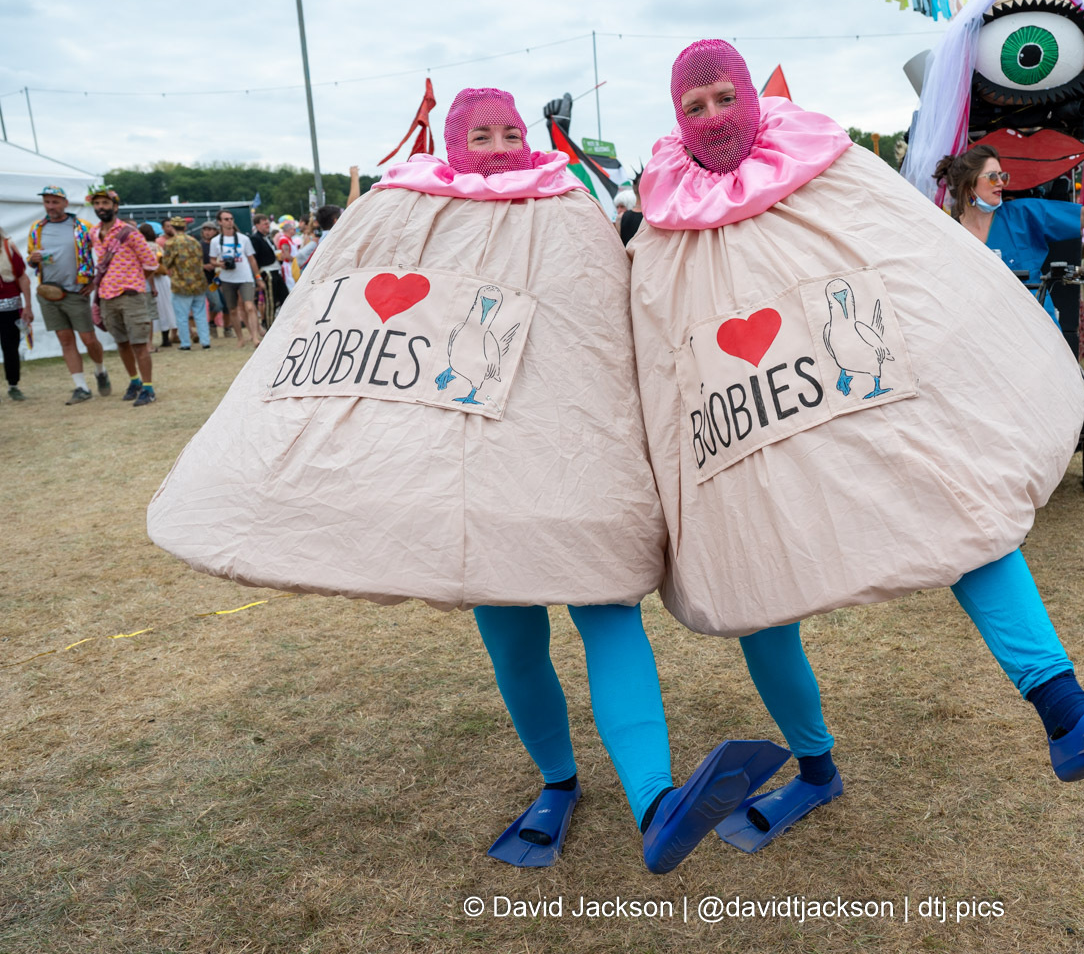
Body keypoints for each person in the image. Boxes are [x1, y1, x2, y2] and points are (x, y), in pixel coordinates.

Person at [629, 40, 1084, 851]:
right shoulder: (666, 213)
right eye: (695, 106)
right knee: (758, 583)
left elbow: (913, 252)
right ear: (676, 117)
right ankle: (816, 769)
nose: (713, 117)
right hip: (749, 410)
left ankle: (1068, 714)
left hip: (852, 387)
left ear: (751, 96)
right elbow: (651, 332)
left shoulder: (822, 165)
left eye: (725, 97)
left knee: (958, 509)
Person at [147, 86, 787, 876]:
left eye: (511, 132)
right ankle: (557, 783)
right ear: (454, 143)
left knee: (608, 614)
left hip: (574, 466)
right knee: (513, 638)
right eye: (481, 135)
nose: (500, 146)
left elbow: (611, 322)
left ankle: (657, 805)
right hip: (475, 482)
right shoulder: (409, 212)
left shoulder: (570, 208)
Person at [934, 143, 1084, 356]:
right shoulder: (948, 232)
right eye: (993, 177)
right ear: (969, 183)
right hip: (982, 339)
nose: (1001, 183)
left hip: (1034, 331)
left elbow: (1083, 215)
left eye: (1003, 176)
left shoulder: (1023, 214)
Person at [26, 185, 110, 403]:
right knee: (65, 340)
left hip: (76, 291)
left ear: (65, 203)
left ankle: (100, 370)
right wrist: (32, 259)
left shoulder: (83, 226)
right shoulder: (37, 228)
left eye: (55, 202)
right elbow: (31, 257)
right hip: (48, 292)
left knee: (88, 339)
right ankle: (81, 387)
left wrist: (94, 281)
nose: (50, 206)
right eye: (47, 202)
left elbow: (104, 253)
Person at [88, 188, 160, 406]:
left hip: (130, 295)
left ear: (115, 207)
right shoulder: (94, 232)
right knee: (121, 342)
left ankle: (148, 388)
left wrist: (134, 282)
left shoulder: (129, 232)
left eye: (105, 203)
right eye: (97, 204)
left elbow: (151, 263)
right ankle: (134, 381)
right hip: (106, 296)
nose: (101, 207)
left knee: (139, 344)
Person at [0, 205, 31, 400]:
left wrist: (27, 306)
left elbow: (22, 277)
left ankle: (13, 385)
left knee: (9, 346)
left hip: (9, 302)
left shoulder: (6, 245)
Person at [211, 209, 263, 347]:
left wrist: (258, 277)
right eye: (226, 219)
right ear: (220, 222)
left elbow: (252, 259)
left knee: (249, 306)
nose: (230, 221)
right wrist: (220, 264)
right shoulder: (215, 241)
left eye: (231, 219)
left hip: (245, 277)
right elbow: (212, 260)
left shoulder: (243, 239)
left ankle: (255, 337)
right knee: (233, 309)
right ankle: (240, 338)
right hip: (227, 278)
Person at [161, 217, 210, 350]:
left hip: (181, 283)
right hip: (199, 282)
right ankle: (205, 341)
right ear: (185, 227)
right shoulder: (194, 241)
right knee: (200, 313)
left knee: (182, 316)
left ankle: (185, 343)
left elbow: (166, 263)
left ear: (172, 227)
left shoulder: (171, 243)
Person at [140, 224, 175, 351]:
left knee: (151, 311)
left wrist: (152, 286)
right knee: (165, 309)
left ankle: (148, 342)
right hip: (162, 279)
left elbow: (148, 267)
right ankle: (166, 337)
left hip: (149, 280)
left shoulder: (142, 247)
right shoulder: (157, 246)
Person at [249, 213, 282, 325]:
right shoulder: (255, 239)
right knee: (270, 301)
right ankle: (269, 325)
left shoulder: (267, 238)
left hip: (275, 270)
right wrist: (258, 277)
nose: (268, 226)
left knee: (284, 297)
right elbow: (254, 259)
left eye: (268, 223)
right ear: (257, 225)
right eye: (265, 224)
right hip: (267, 272)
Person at [198, 220, 227, 336]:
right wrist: (204, 266)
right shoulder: (199, 246)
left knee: (227, 305)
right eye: (205, 229)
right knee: (216, 304)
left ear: (215, 231)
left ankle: (227, 328)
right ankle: (211, 323)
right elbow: (193, 262)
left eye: (210, 229)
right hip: (208, 280)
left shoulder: (220, 244)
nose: (207, 232)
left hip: (222, 277)